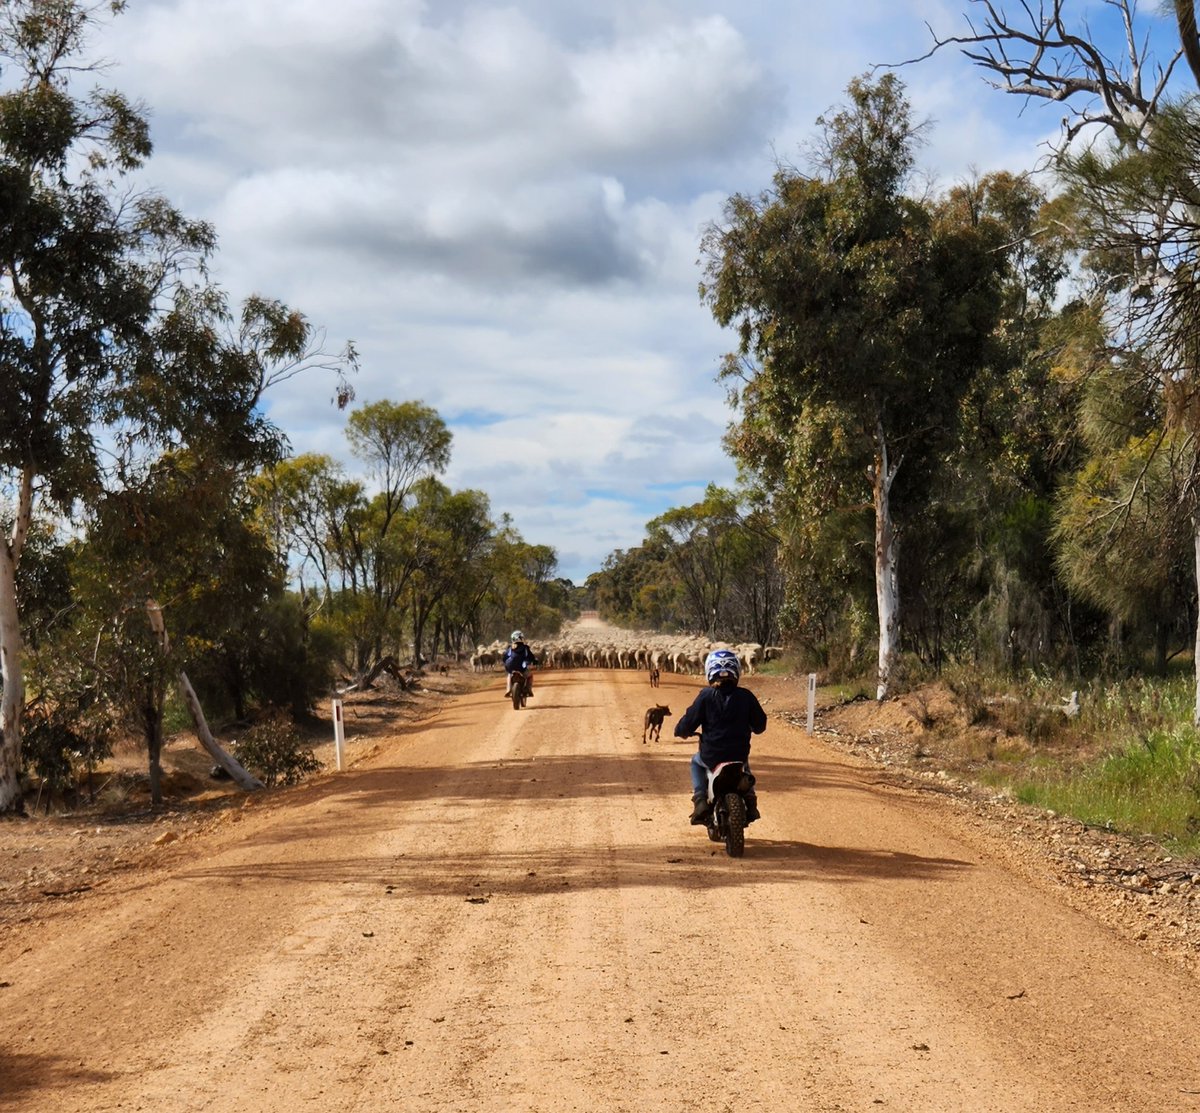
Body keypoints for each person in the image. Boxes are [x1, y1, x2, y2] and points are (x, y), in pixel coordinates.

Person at [673, 647, 766, 825]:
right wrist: (752, 726)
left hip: (711, 755)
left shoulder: (706, 696)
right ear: (736, 671)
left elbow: (689, 721)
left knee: (695, 763)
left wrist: (681, 731)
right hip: (739, 754)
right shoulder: (746, 696)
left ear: (710, 672)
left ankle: (700, 800)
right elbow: (760, 725)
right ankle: (751, 801)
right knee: (745, 768)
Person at [502, 630, 537, 698]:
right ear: (521, 638)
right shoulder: (525, 648)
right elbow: (531, 657)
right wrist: (534, 661)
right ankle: (528, 689)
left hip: (510, 667)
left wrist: (505, 662)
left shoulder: (509, 648)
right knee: (530, 676)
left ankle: (508, 690)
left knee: (509, 675)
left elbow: (504, 657)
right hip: (521, 667)